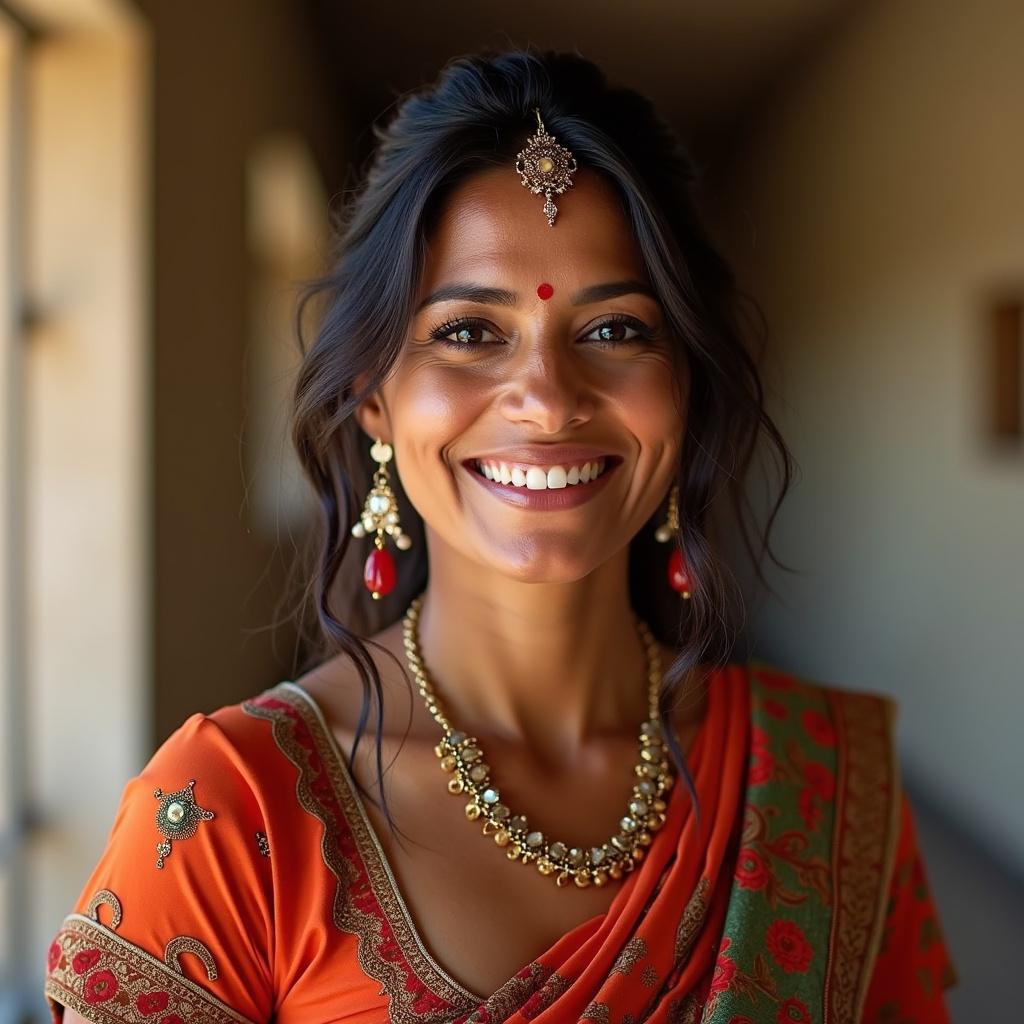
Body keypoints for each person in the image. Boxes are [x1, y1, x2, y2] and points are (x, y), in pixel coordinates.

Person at [43, 49, 957, 1024]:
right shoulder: (234, 812)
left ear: (686, 390)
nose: (548, 400)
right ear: (371, 397)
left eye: (614, 332)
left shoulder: (822, 783)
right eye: (469, 332)